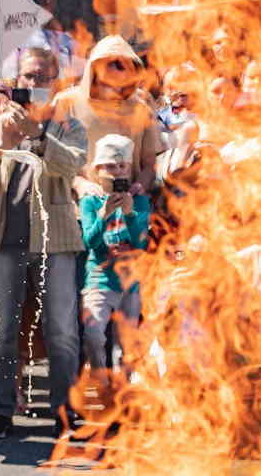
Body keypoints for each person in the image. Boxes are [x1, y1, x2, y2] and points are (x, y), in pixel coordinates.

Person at [0, 48, 87, 440]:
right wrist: (1, 148)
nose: (33, 84)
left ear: (54, 81)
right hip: (4, 238)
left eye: (41, 77)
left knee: (62, 329)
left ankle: (65, 412)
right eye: (27, 77)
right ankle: (1, 411)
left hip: (57, 238)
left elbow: (74, 164)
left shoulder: (67, 125)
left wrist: (39, 138)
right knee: (0, 329)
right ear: (17, 81)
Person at [54, 35, 165, 199]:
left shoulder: (141, 109)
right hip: (77, 209)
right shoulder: (66, 103)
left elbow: (150, 164)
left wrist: (140, 185)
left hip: (127, 209)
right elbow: (51, 157)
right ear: (95, 69)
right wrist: (79, 183)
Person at [79, 134, 150, 377]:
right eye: (110, 166)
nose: (117, 172)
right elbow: (90, 241)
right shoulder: (90, 202)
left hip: (129, 282)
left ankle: (121, 391)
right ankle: (100, 377)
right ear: (97, 170)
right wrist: (104, 215)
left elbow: (141, 244)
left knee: (127, 345)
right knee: (93, 333)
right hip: (99, 279)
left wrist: (130, 214)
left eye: (122, 166)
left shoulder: (139, 201)